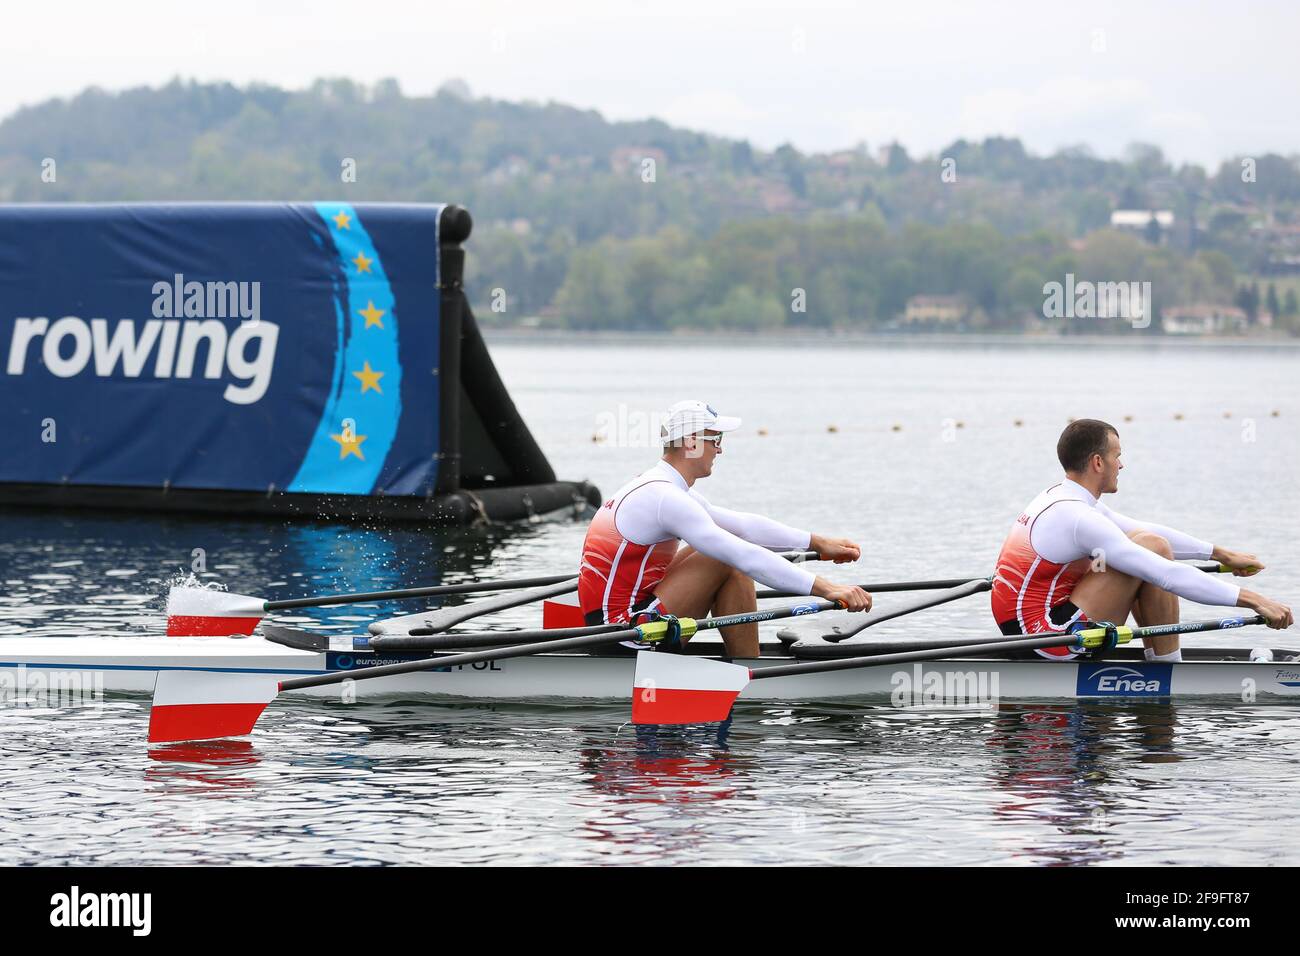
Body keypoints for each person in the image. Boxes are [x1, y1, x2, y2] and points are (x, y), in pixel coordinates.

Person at [578, 400, 871, 658]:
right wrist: (829, 589)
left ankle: (745, 665)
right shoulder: (665, 498)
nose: (720, 448)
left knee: (723, 549)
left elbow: (745, 526)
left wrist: (818, 543)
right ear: (691, 442)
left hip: (614, 624)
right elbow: (742, 554)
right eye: (714, 438)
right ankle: (750, 675)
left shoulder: (662, 489)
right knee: (725, 557)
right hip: (625, 636)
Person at [992, 418, 1292, 661]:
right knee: (1152, 557)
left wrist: (1221, 555)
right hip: (1047, 638)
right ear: (1098, 462)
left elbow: (1144, 530)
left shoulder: (1063, 496)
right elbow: (1166, 574)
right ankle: (1167, 667)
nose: (1121, 465)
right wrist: (1257, 601)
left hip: (1029, 629)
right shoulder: (1078, 516)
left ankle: (1163, 660)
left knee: (1152, 544)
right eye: (1117, 456)